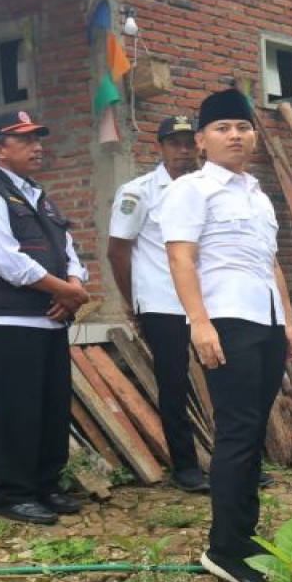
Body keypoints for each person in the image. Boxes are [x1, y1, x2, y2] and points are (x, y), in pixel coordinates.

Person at [159, 89, 292, 582]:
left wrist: (286, 323)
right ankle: (224, 549)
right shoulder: (191, 190)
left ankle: (243, 537)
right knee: (237, 435)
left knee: (252, 433)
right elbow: (181, 259)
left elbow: (270, 264)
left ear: (254, 136)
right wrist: (198, 323)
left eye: (242, 127)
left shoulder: (257, 194)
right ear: (201, 140)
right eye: (222, 128)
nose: (235, 136)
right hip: (225, 322)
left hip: (264, 323)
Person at [0, 110, 90, 525]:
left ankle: (44, 486)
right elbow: (4, 261)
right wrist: (65, 291)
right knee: (15, 410)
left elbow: (69, 250)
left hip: (47, 321)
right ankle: (10, 494)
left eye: (38, 139)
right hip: (4, 320)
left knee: (50, 408)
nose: (37, 147)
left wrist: (73, 286)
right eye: (25, 140)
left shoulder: (39, 197)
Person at [107, 115, 208, 491]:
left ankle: (235, 463)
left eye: (188, 142)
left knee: (227, 381)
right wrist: (132, 301)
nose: (183, 151)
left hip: (211, 302)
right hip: (163, 303)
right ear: (161, 147)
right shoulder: (139, 192)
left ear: (199, 144)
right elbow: (118, 251)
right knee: (174, 385)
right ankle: (187, 468)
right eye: (174, 143)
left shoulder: (209, 187)